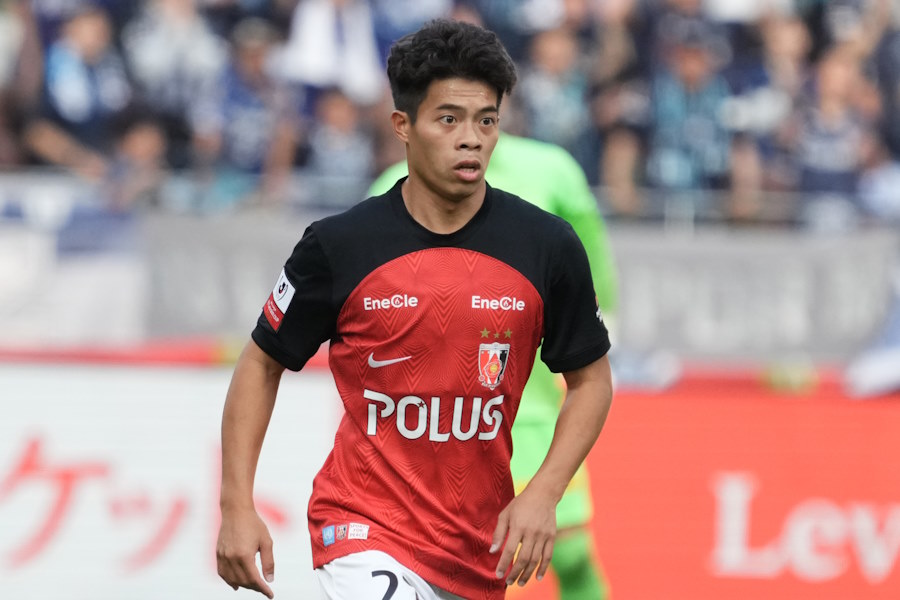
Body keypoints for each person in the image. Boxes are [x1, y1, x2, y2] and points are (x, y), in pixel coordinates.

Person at [215, 18, 614, 600]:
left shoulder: (546, 246)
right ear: (403, 125)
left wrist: (543, 492)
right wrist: (235, 504)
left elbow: (592, 381)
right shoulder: (340, 245)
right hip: (362, 525)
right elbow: (260, 362)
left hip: (475, 548)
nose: (471, 138)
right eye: (449, 119)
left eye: (486, 121)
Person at [369, 132, 616, 600]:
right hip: (443, 429)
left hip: (535, 408)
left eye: (486, 112)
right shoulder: (392, 186)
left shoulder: (552, 169)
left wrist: (603, 320)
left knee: (572, 552)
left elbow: (591, 255)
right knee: (489, 569)